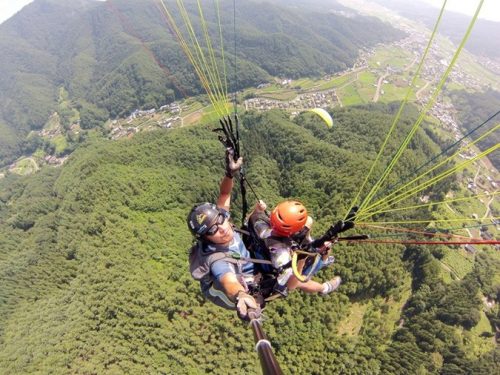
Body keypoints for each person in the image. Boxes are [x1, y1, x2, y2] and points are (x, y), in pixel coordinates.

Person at [187, 148, 260, 320]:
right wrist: (240, 295)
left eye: (220, 220)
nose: (221, 227)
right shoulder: (217, 259)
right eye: (212, 230)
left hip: (242, 261)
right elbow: (228, 281)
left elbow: (225, 194)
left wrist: (229, 174)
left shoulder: (220, 219)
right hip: (225, 292)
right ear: (206, 238)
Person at [248, 200, 345, 296]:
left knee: (309, 221)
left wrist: (257, 210)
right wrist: (301, 262)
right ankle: (324, 288)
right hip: (278, 264)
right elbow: (291, 285)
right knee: (303, 278)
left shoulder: (259, 224)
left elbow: (252, 218)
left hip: (267, 245)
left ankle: (317, 252)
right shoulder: (282, 255)